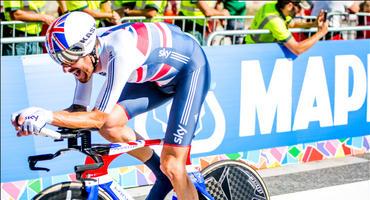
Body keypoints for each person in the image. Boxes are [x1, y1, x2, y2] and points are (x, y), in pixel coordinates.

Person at [11, 11, 210, 200]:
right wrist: (35, 119)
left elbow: (97, 117)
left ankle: (169, 173)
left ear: (86, 49)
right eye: (59, 60)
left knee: (174, 166)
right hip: (153, 77)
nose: (65, 68)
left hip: (189, 72)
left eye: (67, 59)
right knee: (111, 125)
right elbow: (78, 111)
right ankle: (160, 174)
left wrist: (48, 115)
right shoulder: (88, 56)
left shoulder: (120, 51)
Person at [244, 0, 329, 55]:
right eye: (299, 7)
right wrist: (321, 33)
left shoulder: (273, 6)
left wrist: (313, 24)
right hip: (253, 52)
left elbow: (292, 24)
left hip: (255, 48)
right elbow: (297, 49)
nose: (300, 11)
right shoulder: (275, 21)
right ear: (289, 6)